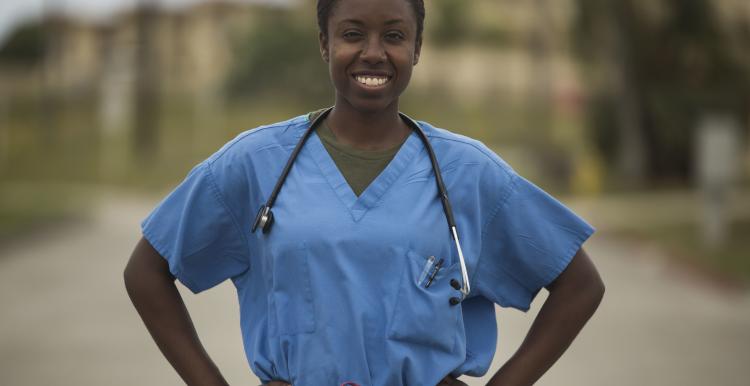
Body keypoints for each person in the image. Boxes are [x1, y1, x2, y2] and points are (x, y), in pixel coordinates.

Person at [123, 0, 605, 385]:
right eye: (353, 33)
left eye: (394, 35)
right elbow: (147, 270)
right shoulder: (255, 163)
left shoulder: (467, 172)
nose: (374, 52)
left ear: (416, 48)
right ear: (324, 44)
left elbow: (579, 285)